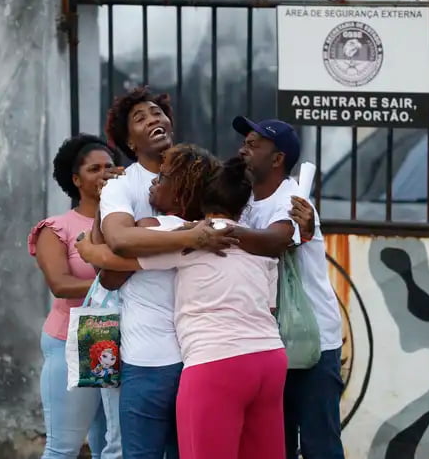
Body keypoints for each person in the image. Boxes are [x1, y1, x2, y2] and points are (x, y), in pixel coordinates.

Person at [77, 157, 288, 459]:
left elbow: (113, 266)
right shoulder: (258, 245)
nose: (154, 183)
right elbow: (269, 308)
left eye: (162, 178)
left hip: (215, 363)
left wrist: (86, 247)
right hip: (270, 359)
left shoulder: (189, 238)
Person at [96, 89, 234, 458]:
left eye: (157, 113)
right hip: (149, 354)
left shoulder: (204, 178)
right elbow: (119, 242)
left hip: (203, 352)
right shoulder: (121, 184)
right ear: (128, 140)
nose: (153, 119)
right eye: (140, 118)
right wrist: (192, 235)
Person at [232, 116, 345, 459]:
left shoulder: (295, 201)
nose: (243, 150)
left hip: (311, 341)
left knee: (318, 445)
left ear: (277, 158)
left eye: (253, 145)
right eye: (244, 143)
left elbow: (278, 240)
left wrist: (223, 231)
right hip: (268, 340)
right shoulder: (244, 199)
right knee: (273, 445)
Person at [27, 134, 123, 459]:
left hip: (116, 341)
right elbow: (60, 284)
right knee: (63, 447)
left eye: (110, 166)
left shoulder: (125, 223)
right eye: (94, 168)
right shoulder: (57, 228)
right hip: (74, 337)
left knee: (108, 446)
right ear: (76, 180)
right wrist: (115, 278)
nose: (104, 174)